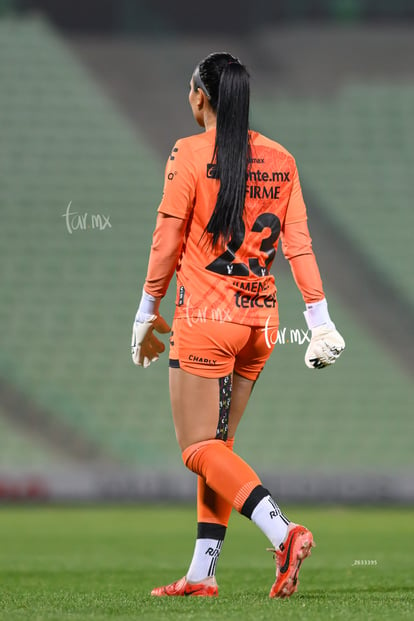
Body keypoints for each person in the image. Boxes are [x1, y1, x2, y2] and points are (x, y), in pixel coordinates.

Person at [131, 52, 345, 599]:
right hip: (261, 325)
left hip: (206, 319)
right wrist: (318, 320)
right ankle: (202, 575)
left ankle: (284, 531)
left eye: (189, 88)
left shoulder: (188, 154)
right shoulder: (282, 159)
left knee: (197, 449)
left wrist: (145, 312)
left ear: (201, 97)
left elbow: (166, 239)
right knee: (219, 447)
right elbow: (298, 244)